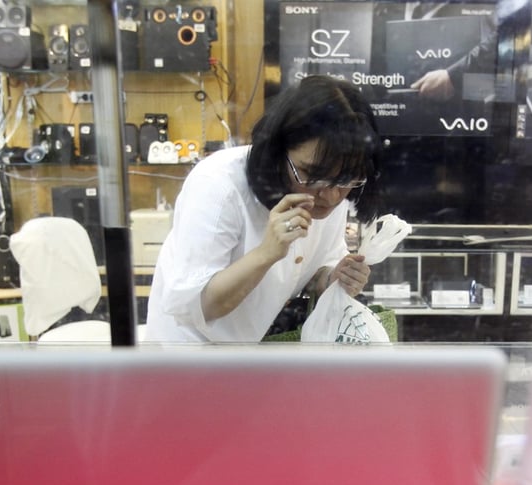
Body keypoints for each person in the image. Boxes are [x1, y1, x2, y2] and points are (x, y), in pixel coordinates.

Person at [144, 75, 382, 343]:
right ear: (278, 150)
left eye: (345, 179)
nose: (329, 195)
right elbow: (197, 306)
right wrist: (267, 253)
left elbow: (312, 270)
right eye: (311, 175)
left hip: (249, 349)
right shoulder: (219, 186)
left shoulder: (330, 192)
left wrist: (333, 278)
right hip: (187, 351)